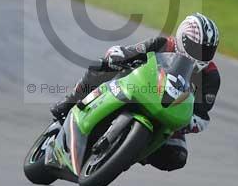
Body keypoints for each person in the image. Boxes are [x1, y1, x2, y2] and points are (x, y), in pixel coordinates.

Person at [50, 13, 221, 172]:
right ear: (182, 39)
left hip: (167, 115)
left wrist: (190, 122)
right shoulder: (162, 44)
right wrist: (116, 56)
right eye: (196, 48)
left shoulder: (210, 77)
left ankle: (130, 152)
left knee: (177, 157)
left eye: (207, 51)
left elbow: (202, 114)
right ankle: (71, 100)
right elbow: (130, 52)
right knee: (101, 67)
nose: (201, 55)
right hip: (135, 89)